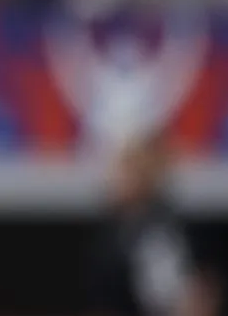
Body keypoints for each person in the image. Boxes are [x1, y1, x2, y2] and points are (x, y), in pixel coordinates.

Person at [86, 130, 219, 316]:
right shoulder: (120, 231)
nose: (113, 180)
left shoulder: (159, 232)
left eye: (124, 172)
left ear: (143, 177)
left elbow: (180, 297)